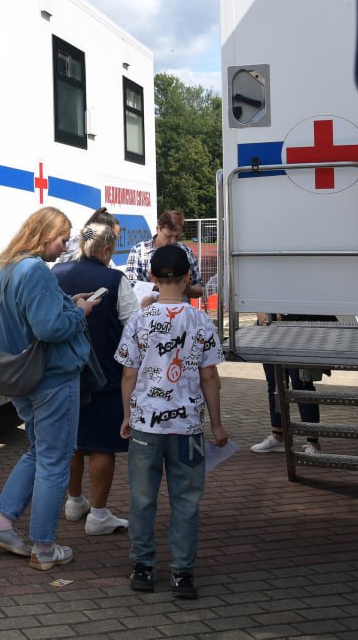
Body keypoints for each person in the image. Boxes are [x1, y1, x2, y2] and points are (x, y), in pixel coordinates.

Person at [0, 207, 101, 570]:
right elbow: (49, 328)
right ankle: (44, 548)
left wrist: (68, 303)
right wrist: (81, 312)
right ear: (46, 236)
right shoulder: (35, 270)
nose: (65, 246)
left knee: (38, 452)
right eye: (63, 238)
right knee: (54, 461)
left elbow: (27, 316)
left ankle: (1, 523)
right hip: (52, 378)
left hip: (20, 376)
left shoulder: (7, 266)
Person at [115, 244, 227, 599]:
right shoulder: (200, 321)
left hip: (145, 425)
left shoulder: (139, 320)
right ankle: (183, 573)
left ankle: (143, 567)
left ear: (151, 277)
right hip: (188, 428)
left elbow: (128, 374)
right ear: (187, 277)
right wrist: (217, 424)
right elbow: (210, 376)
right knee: (186, 500)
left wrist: (127, 415)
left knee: (142, 498)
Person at [53, 221, 137, 536]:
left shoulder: (56, 273)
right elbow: (133, 328)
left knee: (73, 442)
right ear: (106, 249)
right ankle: (98, 515)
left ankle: (74, 501)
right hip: (105, 375)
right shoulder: (115, 279)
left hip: (64, 372)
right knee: (102, 445)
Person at [249, 314, 326, 455]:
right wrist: (260, 312)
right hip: (271, 331)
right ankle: (278, 436)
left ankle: (313, 442)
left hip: (298, 328)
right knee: (275, 385)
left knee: (302, 384)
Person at [124, 210, 203, 300]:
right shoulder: (139, 251)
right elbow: (129, 284)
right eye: (168, 236)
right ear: (158, 229)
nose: (173, 241)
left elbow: (199, 288)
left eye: (177, 236)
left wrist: (185, 289)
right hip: (148, 308)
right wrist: (161, 287)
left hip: (180, 308)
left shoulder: (186, 252)